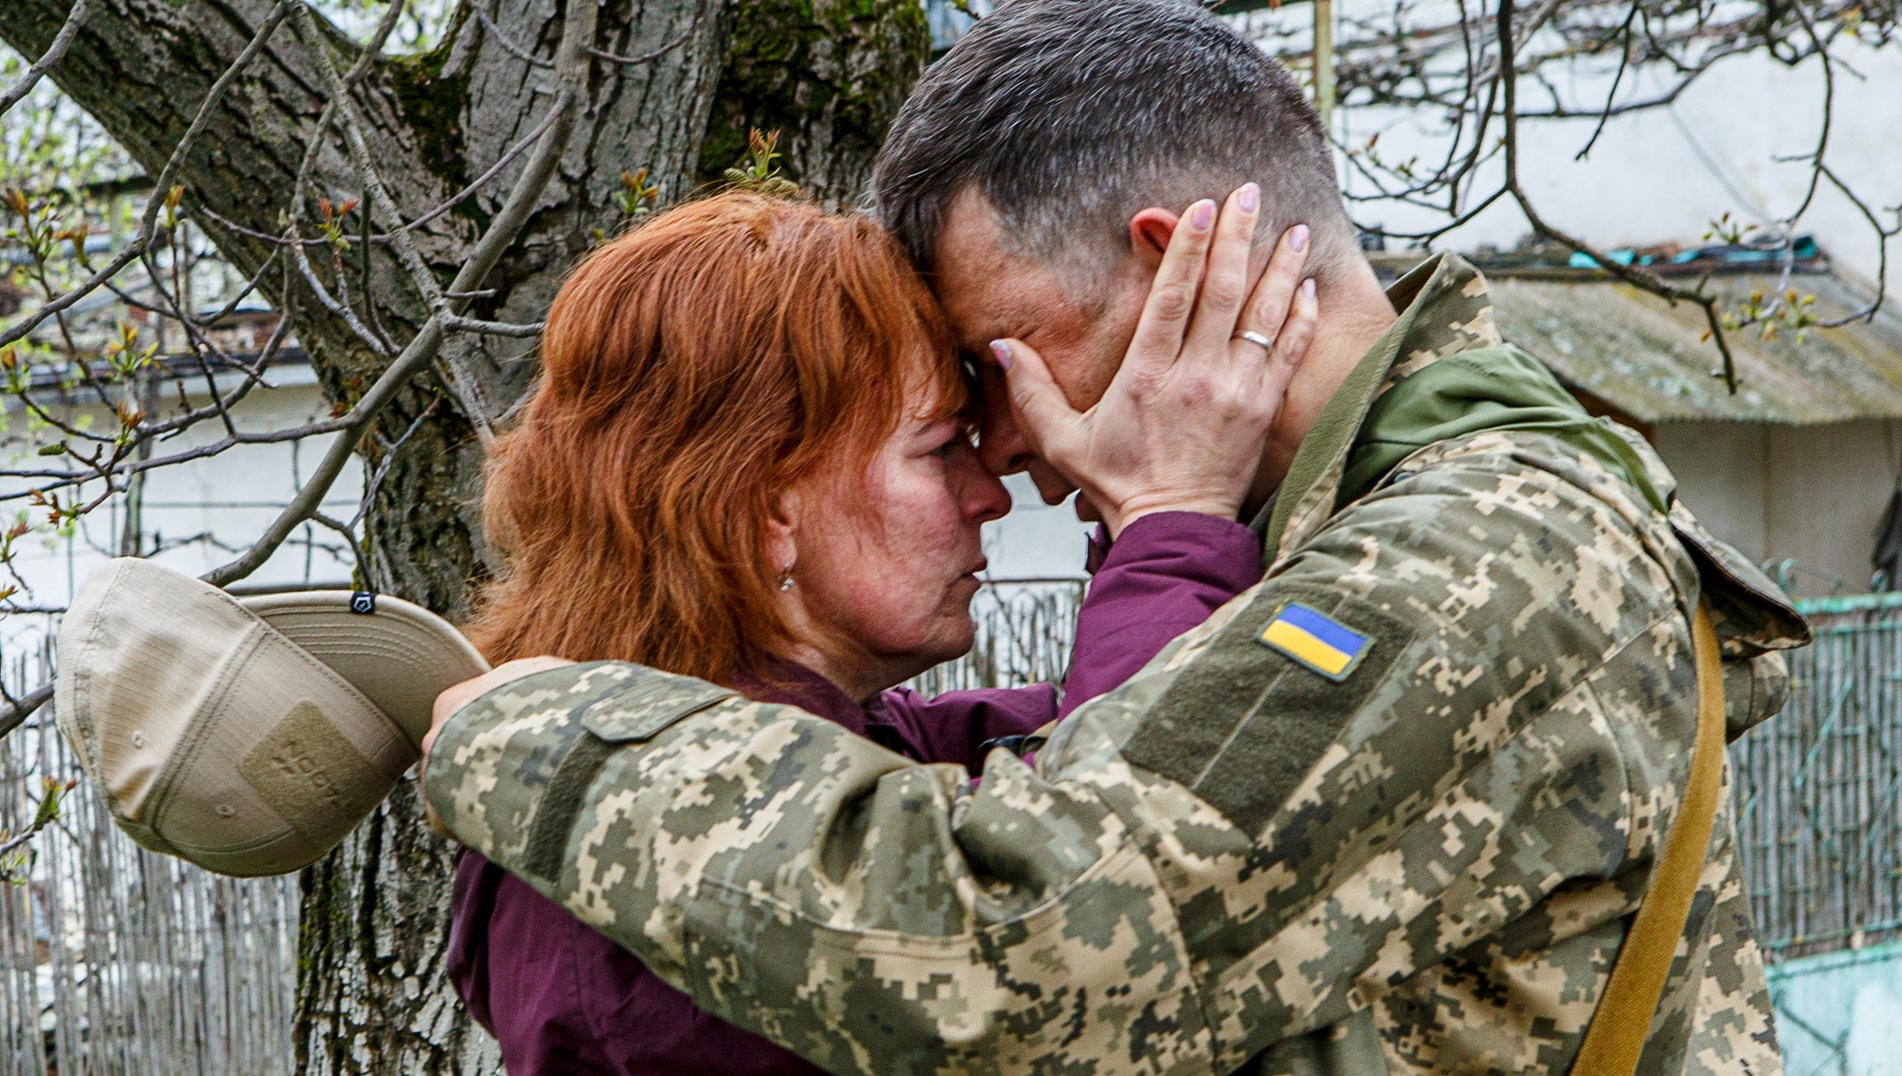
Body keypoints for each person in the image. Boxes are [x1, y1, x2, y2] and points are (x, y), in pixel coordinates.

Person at [423, 0, 1810, 1071]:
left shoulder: (1466, 556)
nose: (1011, 457)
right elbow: (1029, 779)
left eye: (1004, 363)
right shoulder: (1384, 535)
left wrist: (524, 734)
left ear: (1168, 268)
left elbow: (1027, 947)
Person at [443, 189, 1316, 1073]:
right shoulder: (684, 860)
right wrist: (1170, 521)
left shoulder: (788, 760)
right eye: (939, 447)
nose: (991, 492)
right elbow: (1087, 926)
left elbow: (1083, 752)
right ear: (767, 507)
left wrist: (1153, 513)